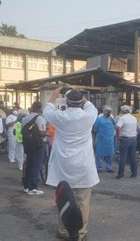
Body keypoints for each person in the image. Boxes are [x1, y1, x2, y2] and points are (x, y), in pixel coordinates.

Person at [43, 87, 99, 241]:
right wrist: (80, 96)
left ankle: (63, 230)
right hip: (83, 165)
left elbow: (46, 110)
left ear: (66, 102)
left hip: (64, 165)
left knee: (64, 199)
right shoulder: (89, 115)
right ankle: (81, 234)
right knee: (83, 202)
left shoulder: (59, 116)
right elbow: (90, 105)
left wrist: (54, 95)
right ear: (81, 101)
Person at [21, 101, 47, 195]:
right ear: (40, 109)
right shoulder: (40, 118)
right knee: (36, 165)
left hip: (27, 144)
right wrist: (47, 133)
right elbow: (42, 133)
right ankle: (33, 187)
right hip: (38, 144)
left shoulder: (25, 118)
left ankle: (26, 186)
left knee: (29, 164)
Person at [116, 105, 138, 179]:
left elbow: (118, 127)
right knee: (133, 156)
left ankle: (120, 174)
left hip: (125, 139)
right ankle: (134, 173)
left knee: (123, 157)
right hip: (133, 138)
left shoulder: (122, 118)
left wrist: (118, 136)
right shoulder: (134, 118)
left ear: (122, 111)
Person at [94, 105, 116, 173]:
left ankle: (109, 167)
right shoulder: (99, 119)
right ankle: (99, 167)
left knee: (110, 153)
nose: (108, 112)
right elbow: (96, 128)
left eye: (109, 111)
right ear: (103, 111)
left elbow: (115, 126)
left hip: (110, 139)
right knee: (100, 153)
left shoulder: (112, 119)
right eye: (107, 110)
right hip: (101, 139)